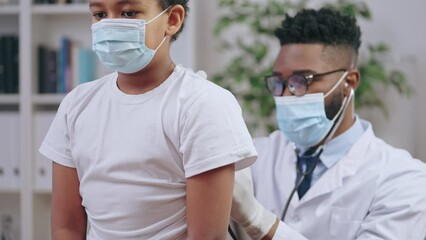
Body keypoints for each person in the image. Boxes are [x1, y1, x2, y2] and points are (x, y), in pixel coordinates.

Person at [39, 0, 257, 239]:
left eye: (128, 13)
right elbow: (66, 227)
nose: (110, 24)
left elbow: (207, 236)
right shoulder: (76, 105)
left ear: (172, 19)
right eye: (100, 14)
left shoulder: (203, 105)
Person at [230, 7, 426, 240]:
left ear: (349, 82)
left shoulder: (402, 178)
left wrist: (258, 220)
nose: (285, 95)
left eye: (302, 80)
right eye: (279, 82)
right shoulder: (257, 155)